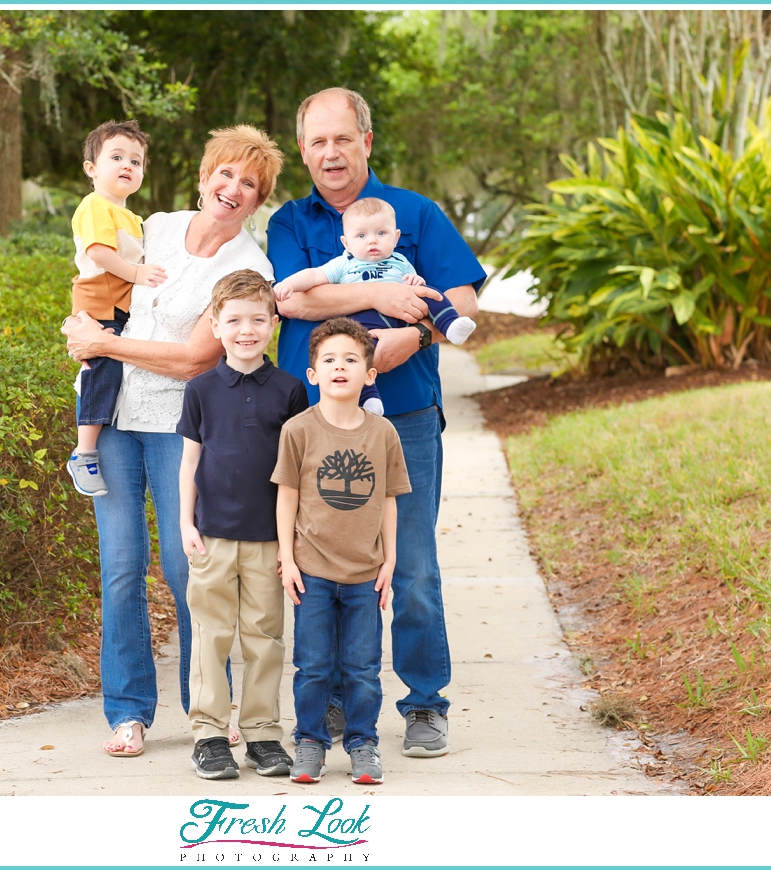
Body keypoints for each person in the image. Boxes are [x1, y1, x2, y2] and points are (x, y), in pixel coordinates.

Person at [267, 87, 486, 758]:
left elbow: (463, 297)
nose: (330, 153)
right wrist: (383, 295)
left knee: (411, 563)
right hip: (317, 421)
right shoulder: (287, 222)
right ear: (303, 151)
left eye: (342, 139)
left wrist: (414, 337)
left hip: (405, 416)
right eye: (316, 142)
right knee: (325, 564)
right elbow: (294, 302)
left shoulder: (417, 213)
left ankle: (424, 704)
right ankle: (334, 701)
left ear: (367, 140)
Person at [62, 125, 284, 758]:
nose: (233, 188)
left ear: (257, 198)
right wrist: (83, 327)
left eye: (249, 183)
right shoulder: (156, 225)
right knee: (121, 568)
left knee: (189, 569)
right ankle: (128, 711)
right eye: (226, 173)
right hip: (111, 419)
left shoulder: (248, 266)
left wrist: (105, 343)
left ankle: (207, 709)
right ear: (204, 174)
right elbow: (97, 274)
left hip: (179, 426)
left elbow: (193, 360)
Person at [177, 270, 308, 780]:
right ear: (215, 324)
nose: (246, 330)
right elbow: (189, 463)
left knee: (264, 636)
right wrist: (185, 523)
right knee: (210, 634)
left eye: (257, 319)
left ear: (273, 324)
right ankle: (209, 734)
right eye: (233, 320)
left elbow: (295, 472)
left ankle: (261, 734)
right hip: (210, 535)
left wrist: (291, 541)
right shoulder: (201, 390)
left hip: (268, 539)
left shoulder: (290, 389)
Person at [273, 318, 411, 784]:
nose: (339, 367)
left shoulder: (383, 433)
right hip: (311, 571)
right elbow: (286, 496)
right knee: (311, 666)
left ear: (369, 374)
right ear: (312, 374)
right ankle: (310, 742)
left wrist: (390, 559)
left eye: (351, 360)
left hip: (364, 574)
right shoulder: (298, 430)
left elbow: (389, 499)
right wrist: (287, 559)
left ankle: (362, 744)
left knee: (362, 668)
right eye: (328, 360)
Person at [272, 196, 476, 415]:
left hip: (404, 342)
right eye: (361, 235)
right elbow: (312, 277)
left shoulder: (400, 260)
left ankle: (450, 325)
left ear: (396, 237)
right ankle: (369, 398)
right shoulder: (344, 263)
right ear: (346, 243)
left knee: (432, 294)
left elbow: (427, 286)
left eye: (381, 233)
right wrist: (289, 284)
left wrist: (416, 289)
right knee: (359, 351)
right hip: (362, 326)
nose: (372, 241)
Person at [64, 119, 168, 498]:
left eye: (136, 161)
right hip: (98, 302)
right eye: (117, 157)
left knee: (120, 368)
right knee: (101, 369)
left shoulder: (132, 216)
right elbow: (99, 253)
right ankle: (84, 451)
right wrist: (139, 273)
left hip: (122, 307)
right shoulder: (95, 206)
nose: (128, 165)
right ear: (92, 169)